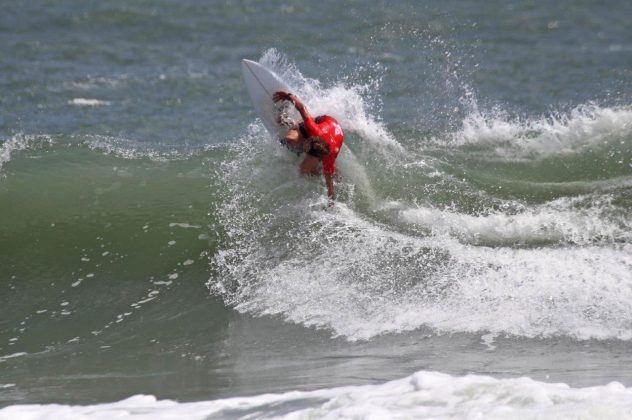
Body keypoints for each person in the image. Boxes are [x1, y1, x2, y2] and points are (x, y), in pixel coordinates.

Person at [272, 91, 344, 200]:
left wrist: (331, 201)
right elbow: (301, 108)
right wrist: (287, 96)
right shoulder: (314, 129)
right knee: (291, 139)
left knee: (304, 170)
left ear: (319, 157)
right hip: (325, 121)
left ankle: (326, 172)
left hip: (332, 133)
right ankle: (287, 119)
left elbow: (330, 188)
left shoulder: (329, 156)